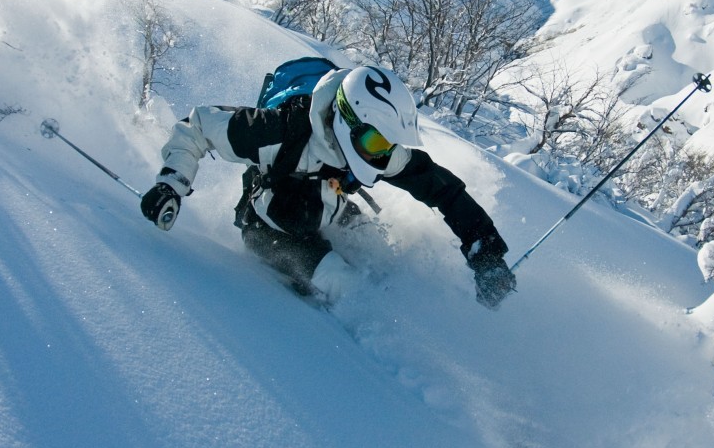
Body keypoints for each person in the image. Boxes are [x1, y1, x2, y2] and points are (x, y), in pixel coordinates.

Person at [140, 63, 518, 309]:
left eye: (388, 145)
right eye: (374, 143)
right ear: (346, 119)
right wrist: (171, 184)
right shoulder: (278, 131)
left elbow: (443, 190)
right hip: (271, 227)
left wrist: (485, 253)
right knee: (350, 287)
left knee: (385, 266)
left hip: (330, 208)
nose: (380, 155)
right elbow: (199, 127)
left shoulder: (375, 150)